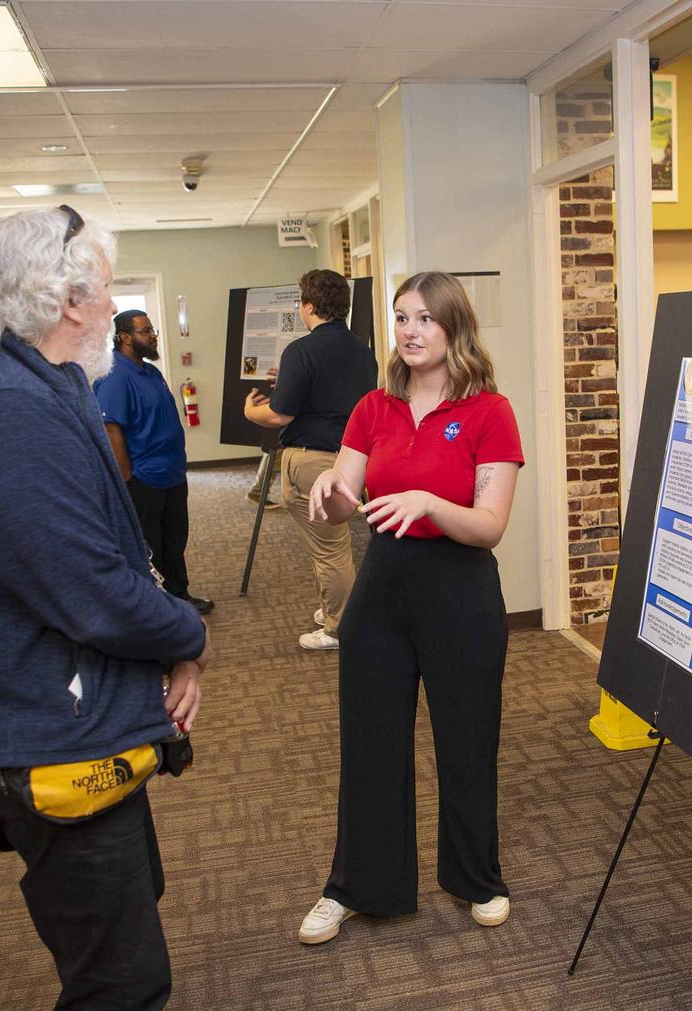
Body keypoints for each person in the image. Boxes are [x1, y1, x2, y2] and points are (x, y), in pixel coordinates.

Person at [0, 206, 211, 1008]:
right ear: (65, 298)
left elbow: (113, 554)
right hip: (40, 735)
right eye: (107, 289)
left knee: (129, 914)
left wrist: (169, 639)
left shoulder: (44, 384)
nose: (114, 307)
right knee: (121, 982)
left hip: (73, 718)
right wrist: (189, 635)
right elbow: (91, 592)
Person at [297, 270, 523, 944]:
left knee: (466, 741)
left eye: (425, 317)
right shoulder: (374, 407)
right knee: (369, 741)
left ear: (453, 325)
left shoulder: (490, 411)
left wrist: (429, 503)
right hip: (384, 591)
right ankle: (353, 886)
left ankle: (478, 877)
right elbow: (349, 495)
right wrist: (331, 496)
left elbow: (489, 525)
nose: (411, 330)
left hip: (461, 591)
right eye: (401, 317)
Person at [244, 269, 376, 649]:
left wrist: (251, 412)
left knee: (331, 549)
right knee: (329, 545)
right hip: (351, 460)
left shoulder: (301, 350)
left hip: (312, 464)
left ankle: (339, 628)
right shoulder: (362, 352)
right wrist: (287, 384)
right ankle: (334, 606)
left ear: (310, 307)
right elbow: (335, 397)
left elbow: (279, 415)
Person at [96, 309, 214, 614]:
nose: (152, 336)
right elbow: (111, 429)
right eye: (145, 331)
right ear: (124, 337)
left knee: (174, 540)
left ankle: (180, 596)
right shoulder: (113, 376)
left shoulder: (150, 372)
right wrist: (127, 481)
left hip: (172, 473)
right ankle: (156, 608)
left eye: (152, 331)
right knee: (149, 548)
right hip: (143, 479)